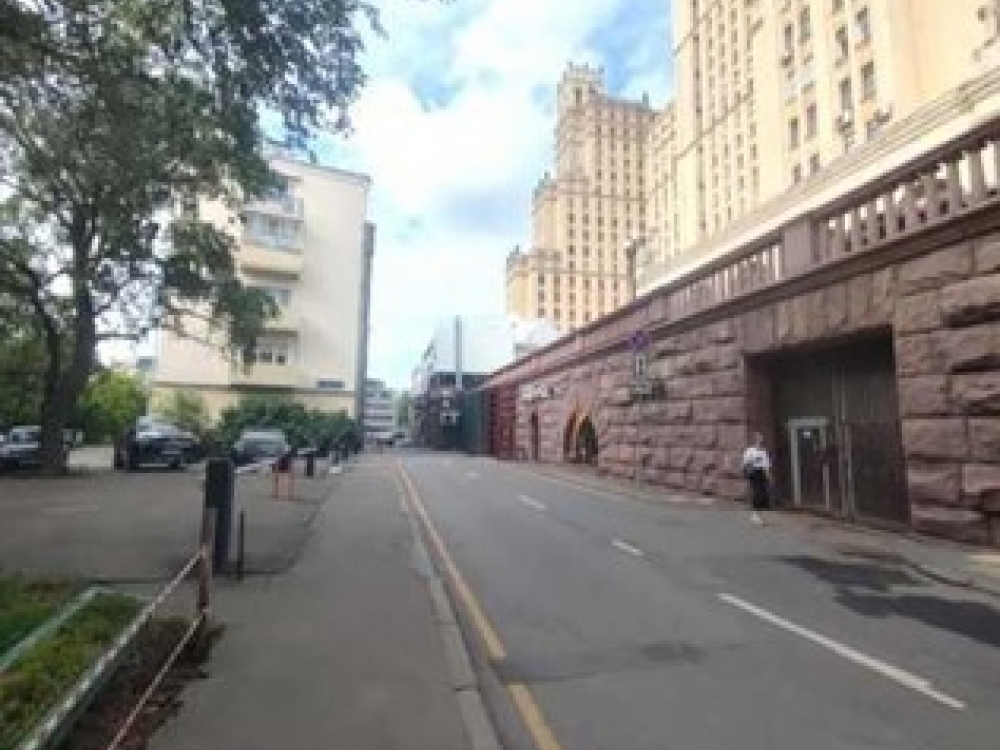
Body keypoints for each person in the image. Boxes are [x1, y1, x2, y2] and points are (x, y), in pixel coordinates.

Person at [742, 432, 772, 525]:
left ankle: (757, 514)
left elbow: (766, 465)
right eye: (758, 438)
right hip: (753, 472)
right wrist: (754, 461)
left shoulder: (763, 451)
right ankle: (755, 514)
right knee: (757, 492)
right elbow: (745, 462)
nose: (760, 439)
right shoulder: (750, 450)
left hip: (761, 472)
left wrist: (768, 475)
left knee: (762, 493)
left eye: (761, 438)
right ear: (755, 439)